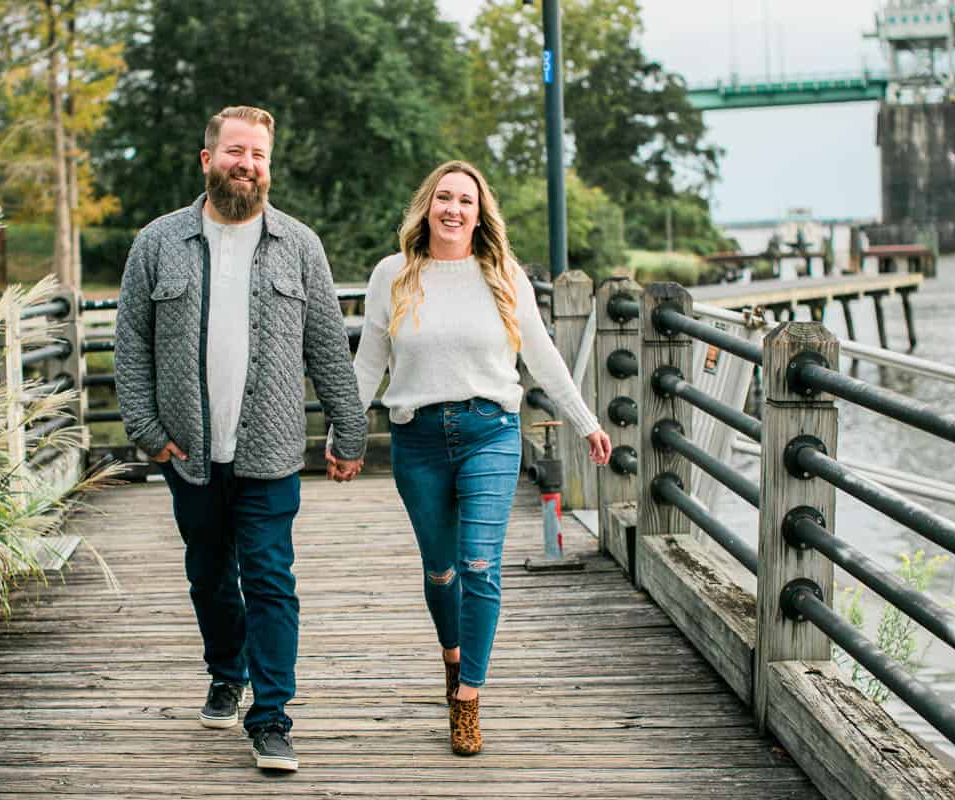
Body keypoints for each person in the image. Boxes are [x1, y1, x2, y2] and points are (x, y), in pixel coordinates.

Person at [328, 160, 612, 755]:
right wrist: (345, 436)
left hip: (490, 432)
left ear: (480, 215)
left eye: (466, 201)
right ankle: (453, 661)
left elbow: (543, 357)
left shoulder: (505, 275)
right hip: (419, 439)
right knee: (441, 571)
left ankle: (467, 700)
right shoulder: (394, 275)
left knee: (480, 566)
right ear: (427, 207)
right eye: (444, 198)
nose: (453, 209)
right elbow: (368, 364)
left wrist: (586, 421)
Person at [115, 105, 367, 773]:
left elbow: (328, 349)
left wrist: (350, 428)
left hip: (272, 451)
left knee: (269, 577)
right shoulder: (158, 242)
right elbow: (131, 345)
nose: (245, 164)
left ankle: (273, 717)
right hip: (188, 453)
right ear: (207, 159)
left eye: (257, 154)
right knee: (209, 575)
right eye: (234, 151)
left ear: (268, 165)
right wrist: (146, 431)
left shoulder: (299, 246)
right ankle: (227, 670)